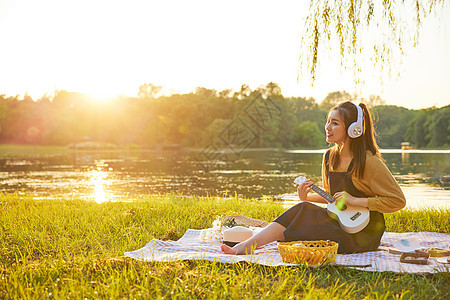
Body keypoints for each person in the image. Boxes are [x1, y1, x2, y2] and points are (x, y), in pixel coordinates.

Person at [221, 101, 406, 255]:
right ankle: (245, 247)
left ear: (353, 129)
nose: (327, 127)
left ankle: (245, 247)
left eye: (335, 123)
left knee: (302, 215)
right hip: (339, 223)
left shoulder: (369, 162)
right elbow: (331, 197)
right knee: (303, 208)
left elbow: (397, 201)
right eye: (328, 121)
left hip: (364, 233)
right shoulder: (329, 157)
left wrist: (355, 200)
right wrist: (306, 197)